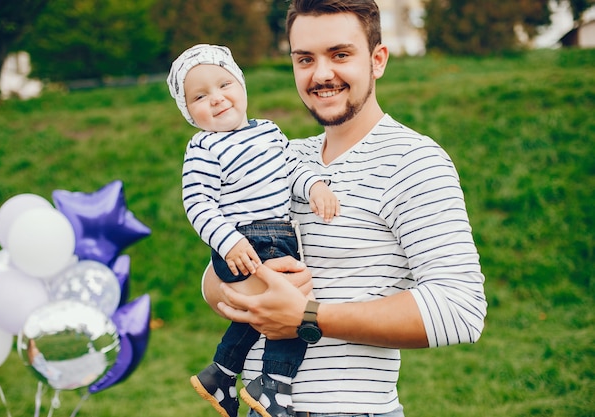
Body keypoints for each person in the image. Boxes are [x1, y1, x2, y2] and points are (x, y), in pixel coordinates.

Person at [202, 1, 488, 417]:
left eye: (340, 54)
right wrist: (240, 280)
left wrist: (306, 315)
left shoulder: (413, 161)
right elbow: (213, 281)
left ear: (377, 60)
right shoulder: (280, 156)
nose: (321, 74)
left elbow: (460, 310)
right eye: (305, 59)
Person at [167, 44, 340, 417]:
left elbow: (292, 169)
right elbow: (198, 204)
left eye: (224, 84)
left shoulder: (270, 133)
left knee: (257, 312)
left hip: (278, 235)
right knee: (297, 315)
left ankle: (222, 373)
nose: (216, 99)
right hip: (246, 241)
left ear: (242, 85)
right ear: (189, 112)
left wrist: (314, 186)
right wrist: (228, 240)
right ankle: (273, 385)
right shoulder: (203, 146)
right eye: (200, 96)